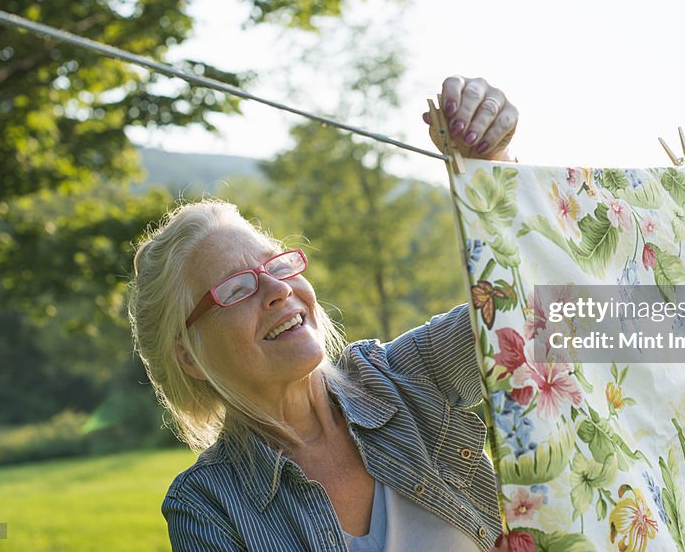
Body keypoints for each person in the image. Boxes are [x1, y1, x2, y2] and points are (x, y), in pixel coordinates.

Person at [128, 76, 519, 551]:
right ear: (189, 355)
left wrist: (491, 166)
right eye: (235, 288)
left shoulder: (404, 376)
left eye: (278, 264)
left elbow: (533, 312)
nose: (276, 288)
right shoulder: (207, 506)